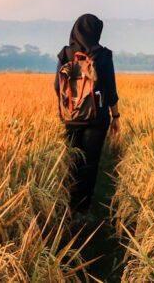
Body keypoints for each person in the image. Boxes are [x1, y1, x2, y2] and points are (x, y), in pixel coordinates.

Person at [54, 13, 120, 213]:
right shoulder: (103, 55)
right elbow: (110, 89)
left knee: (72, 161)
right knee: (90, 164)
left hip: (71, 118)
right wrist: (115, 116)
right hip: (96, 118)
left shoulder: (65, 54)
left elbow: (58, 86)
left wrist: (70, 105)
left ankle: (67, 206)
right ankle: (82, 209)